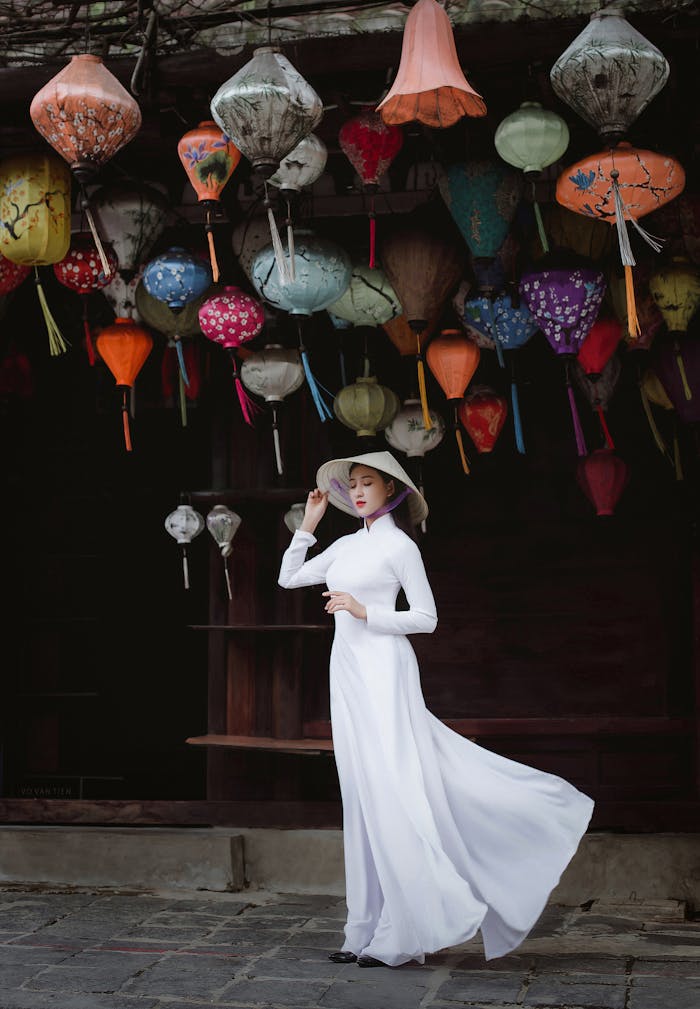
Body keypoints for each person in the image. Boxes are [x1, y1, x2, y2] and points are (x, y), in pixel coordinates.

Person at [278, 450, 595, 969]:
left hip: (385, 666)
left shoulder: (400, 546)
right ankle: (363, 930)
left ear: (392, 492)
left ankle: (403, 932)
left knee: (393, 789)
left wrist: (366, 610)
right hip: (349, 670)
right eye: (352, 484)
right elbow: (289, 578)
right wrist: (308, 524)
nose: (357, 492)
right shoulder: (342, 545)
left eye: (369, 484)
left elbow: (426, 617)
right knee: (361, 795)